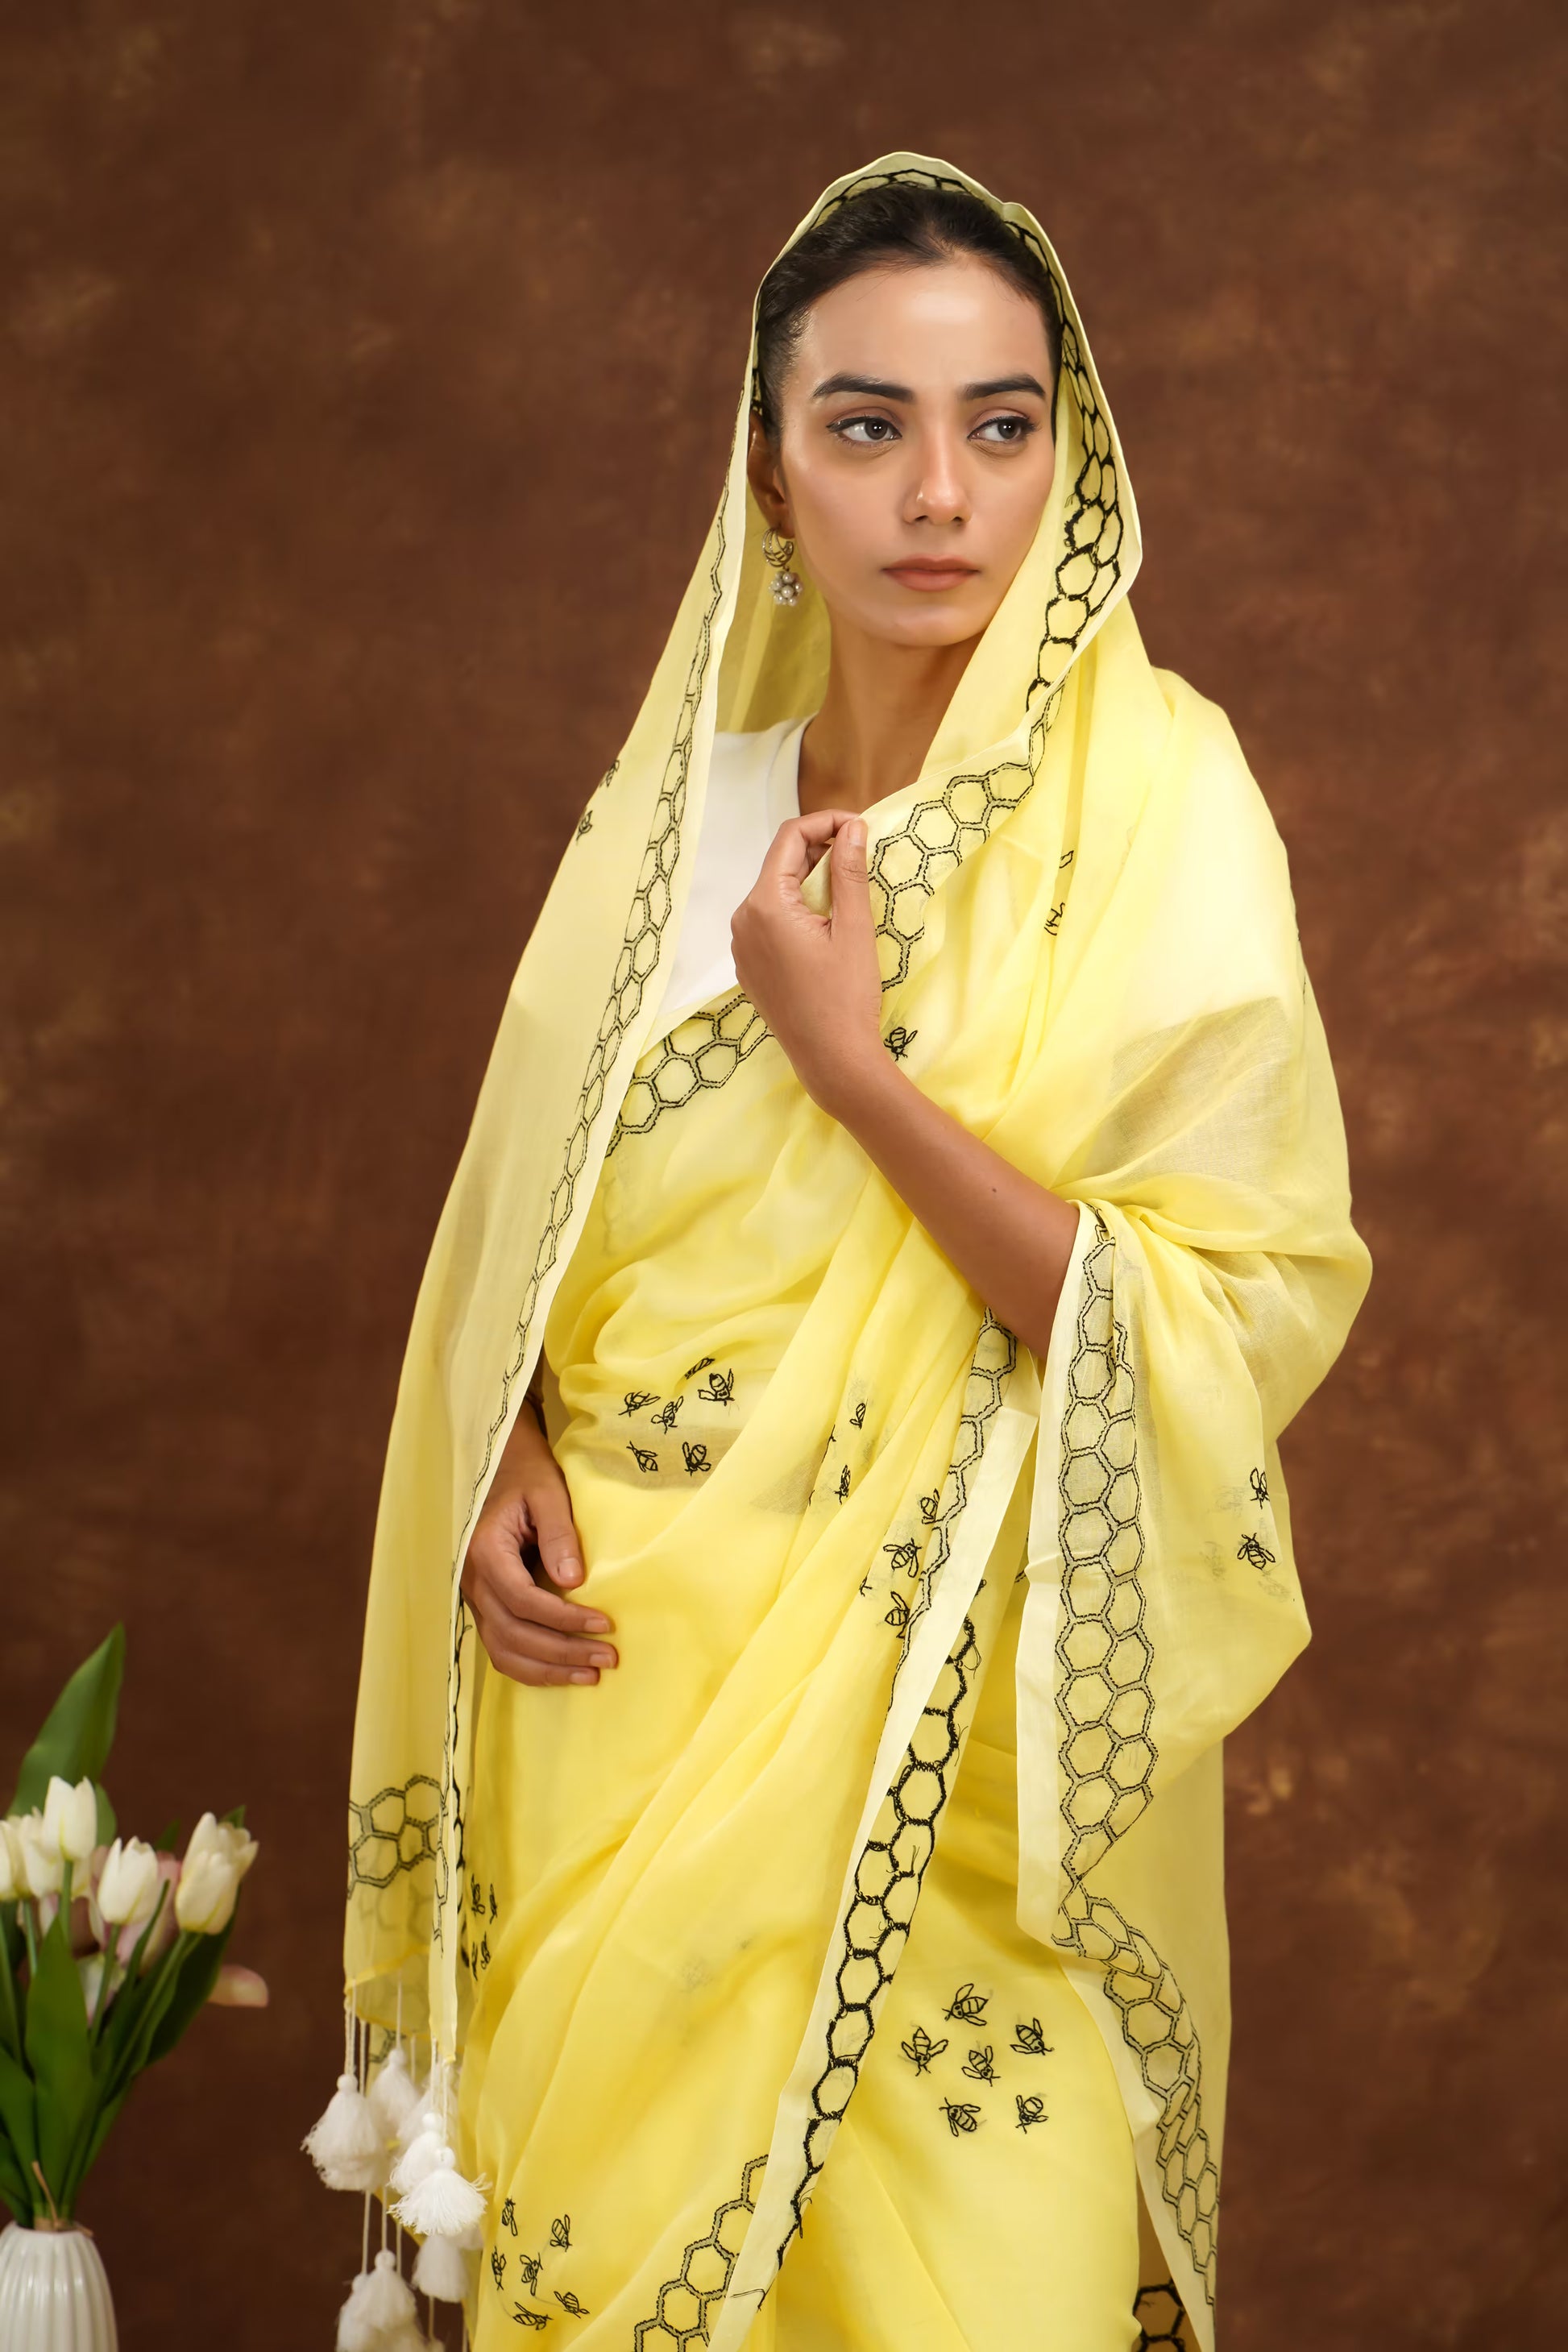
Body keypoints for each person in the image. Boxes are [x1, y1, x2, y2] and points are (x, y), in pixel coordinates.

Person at [337, 154, 1371, 2351]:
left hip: (960, 1755)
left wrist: (862, 1076)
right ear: (767, 464)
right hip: (615, 1703)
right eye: (866, 425)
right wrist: (498, 1434)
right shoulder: (662, 829)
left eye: (1001, 426)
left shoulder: (1162, 810)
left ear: (1063, 460)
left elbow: (1219, 1310)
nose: (937, 494)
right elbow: (518, 1234)